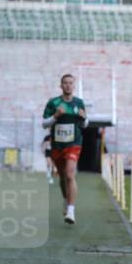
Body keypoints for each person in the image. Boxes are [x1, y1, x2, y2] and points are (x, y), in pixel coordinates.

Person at [43, 74, 86, 225]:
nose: (68, 85)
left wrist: (84, 118)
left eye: (70, 83)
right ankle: (66, 199)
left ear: (74, 86)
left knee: (69, 174)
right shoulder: (53, 102)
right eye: (65, 83)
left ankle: (71, 211)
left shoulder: (79, 103)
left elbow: (84, 124)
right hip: (57, 145)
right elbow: (44, 124)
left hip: (74, 144)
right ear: (61, 86)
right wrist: (55, 116)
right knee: (62, 177)